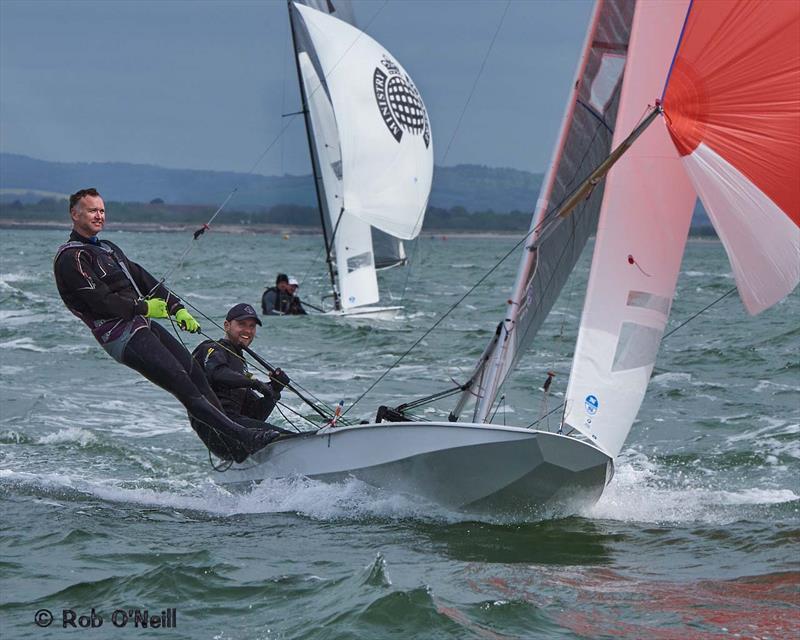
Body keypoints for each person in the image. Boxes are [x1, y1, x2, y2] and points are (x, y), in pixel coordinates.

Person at [53, 187, 278, 463]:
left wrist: (176, 307)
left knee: (196, 373)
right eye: (92, 211)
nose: (99, 216)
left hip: (141, 324)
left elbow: (142, 278)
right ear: (75, 215)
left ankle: (231, 437)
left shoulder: (108, 248)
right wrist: (144, 307)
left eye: (102, 210)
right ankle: (242, 437)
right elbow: (100, 302)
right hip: (120, 335)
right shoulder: (71, 258)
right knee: (183, 383)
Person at [192, 303, 293, 437]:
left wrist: (274, 389)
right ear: (227, 325)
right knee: (284, 436)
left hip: (232, 426)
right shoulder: (213, 348)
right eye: (242, 324)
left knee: (282, 435)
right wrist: (254, 383)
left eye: (252, 326)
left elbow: (255, 416)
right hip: (216, 424)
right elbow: (217, 373)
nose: (248, 330)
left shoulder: (239, 363)